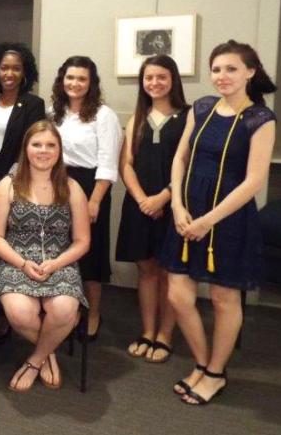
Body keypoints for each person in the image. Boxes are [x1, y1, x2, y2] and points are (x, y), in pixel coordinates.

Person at [160, 40, 277, 405]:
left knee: (225, 299)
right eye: (216, 69)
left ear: (250, 72)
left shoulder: (260, 118)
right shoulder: (203, 107)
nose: (222, 76)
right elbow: (180, 159)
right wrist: (178, 207)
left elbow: (254, 181)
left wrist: (208, 221)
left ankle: (214, 372)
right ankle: (202, 361)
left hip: (227, 218)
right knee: (178, 295)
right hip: (188, 215)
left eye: (230, 69)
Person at [0, 120, 90, 392]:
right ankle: (50, 349)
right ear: (26, 149)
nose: (43, 151)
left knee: (64, 309)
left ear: (59, 151)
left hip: (60, 261)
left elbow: (82, 241)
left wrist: (57, 263)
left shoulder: (72, 188)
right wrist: (22, 263)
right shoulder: (6, 186)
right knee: (20, 314)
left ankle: (35, 360)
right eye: (37, 144)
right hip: (15, 261)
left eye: (50, 145)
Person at [116, 55, 188, 363]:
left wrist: (164, 197)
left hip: (175, 205)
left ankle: (165, 335)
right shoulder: (138, 117)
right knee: (145, 270)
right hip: (140, 205)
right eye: (149, 78)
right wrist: (143, 199)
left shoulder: (189, 116)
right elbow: (126, 165)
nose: (155, 83)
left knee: (168, 272)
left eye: (161, 77)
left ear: (173, 79)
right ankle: (147, 331)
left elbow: (190, 165)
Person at [49, 55, 122, 340]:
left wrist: (95, 201)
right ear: (62, 80)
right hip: (57, 184)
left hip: (91, 186)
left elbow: (108, 163)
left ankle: (92, 313)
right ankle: (68, 309)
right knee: (61, 250)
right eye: (70, 77)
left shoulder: (104, 115)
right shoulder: (54, 112)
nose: (75, 83)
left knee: (90, 254)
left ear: (91, 83)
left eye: (81, 78)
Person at [0, 42, 45, 194]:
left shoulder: (34, 104)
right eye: (4, 68)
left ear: (24, 73)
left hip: (17, 175)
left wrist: (14, 173)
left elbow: (32, 143)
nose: (9, 73)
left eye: (16, 68)